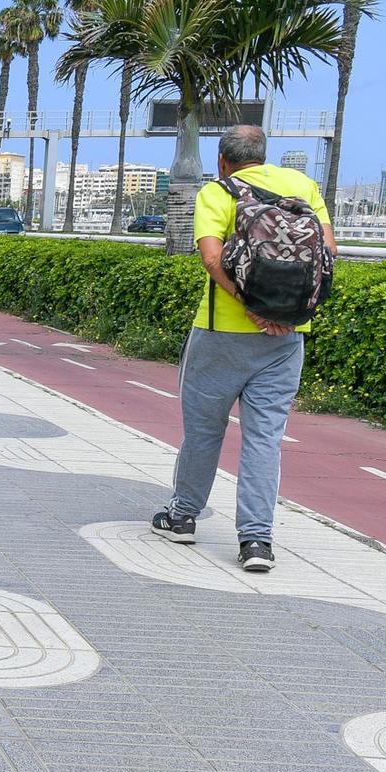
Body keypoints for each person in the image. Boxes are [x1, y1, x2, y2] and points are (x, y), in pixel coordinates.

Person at [151, 125, 334, 574]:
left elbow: (212, 258)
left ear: (222, 159)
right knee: (265, 438)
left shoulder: (218, 191)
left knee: (204, 429)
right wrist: (285, 313)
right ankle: (256, 541)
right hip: (287, 337)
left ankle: (183, 516)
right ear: (264, 155)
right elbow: (327, 251)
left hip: (220, 333)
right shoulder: (303, 186)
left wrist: (251, 307)